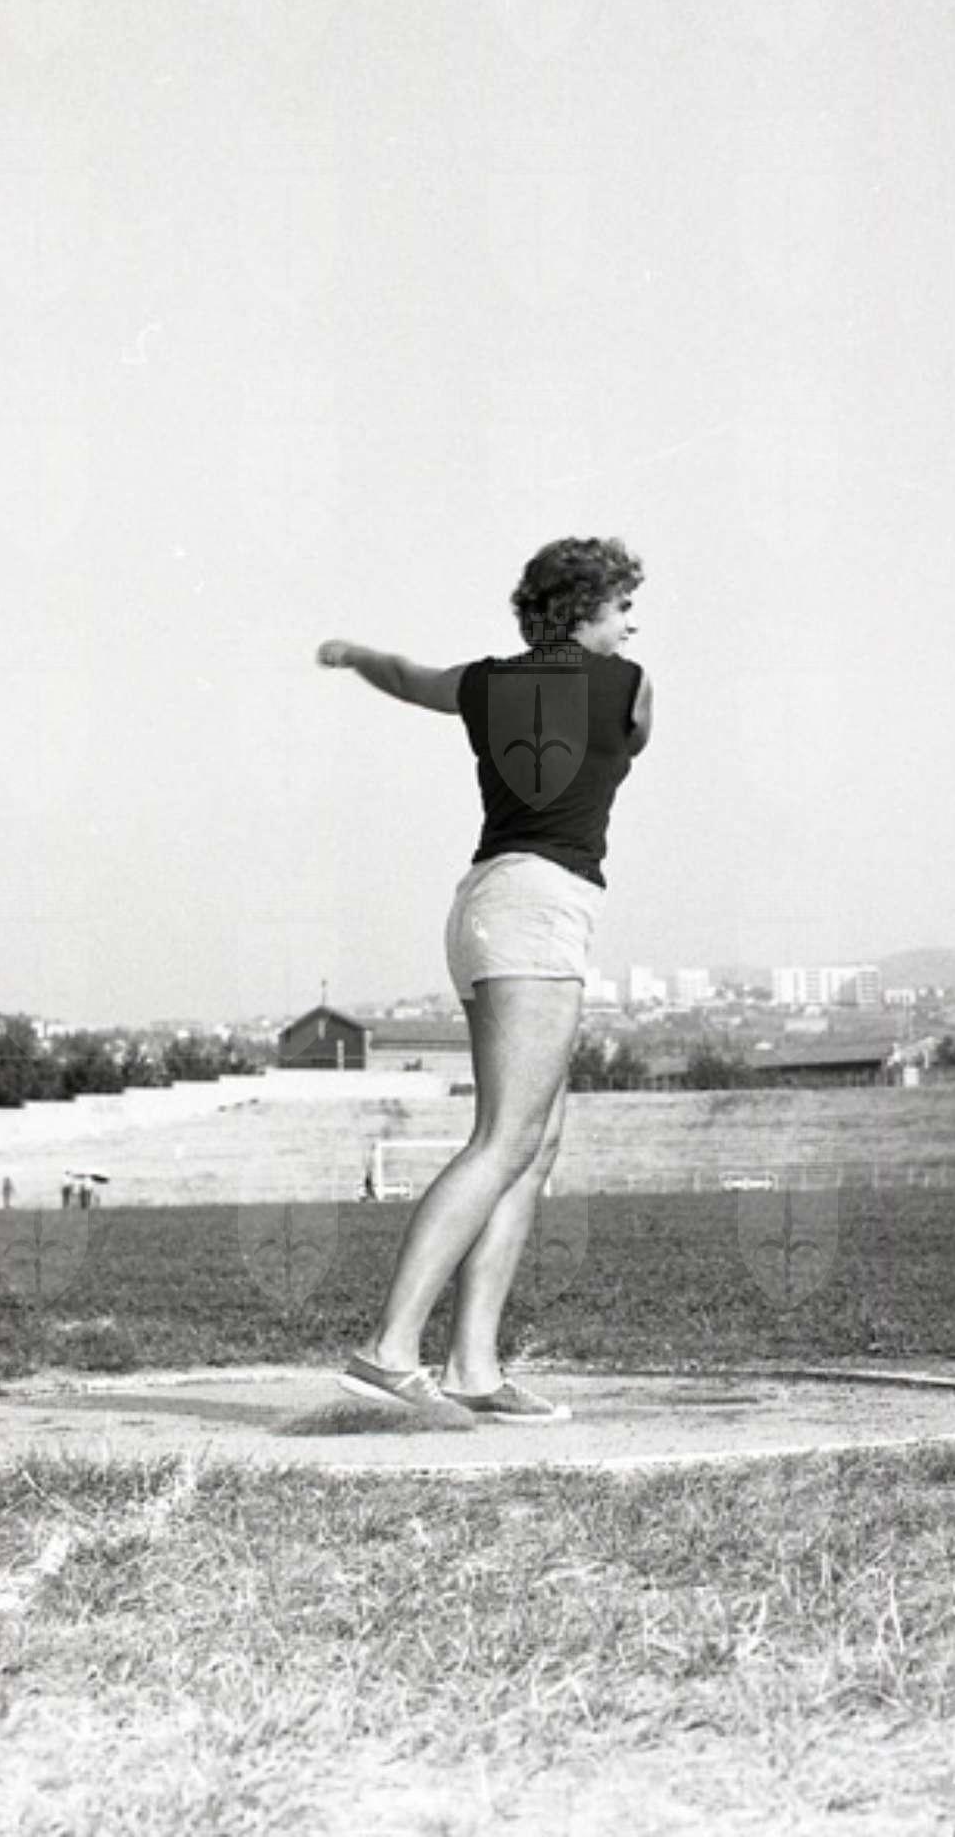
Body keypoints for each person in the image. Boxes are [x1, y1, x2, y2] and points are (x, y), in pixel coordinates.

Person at [315, 536, 652, 1426]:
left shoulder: (482, 683)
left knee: (533, 1145)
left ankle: (473, 1367)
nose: (631, 623)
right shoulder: (628, 684)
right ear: (582, 607)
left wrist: (354, 656)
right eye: (621, 605)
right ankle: (388, 1352)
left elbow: (405, 676)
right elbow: (631, 738)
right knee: (505, 1140)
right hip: (536, 907)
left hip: (490, 904)